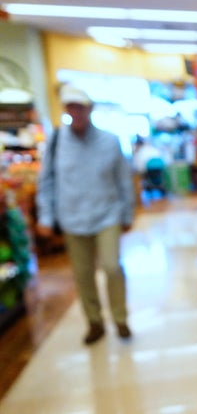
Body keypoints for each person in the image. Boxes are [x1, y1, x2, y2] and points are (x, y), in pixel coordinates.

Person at [35, 83, 135, 345]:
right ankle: (94, 321)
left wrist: (127, 214)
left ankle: (120, 317)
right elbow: (46, 182)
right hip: (72, 218)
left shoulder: (110, 141)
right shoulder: (56, 142)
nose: (75, 113)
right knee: (83, 273)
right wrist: (46, 217)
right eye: (71, 108)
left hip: (107, 214)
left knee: (112, 267)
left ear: (89, 110)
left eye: (80, 107)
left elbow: (124, 180)